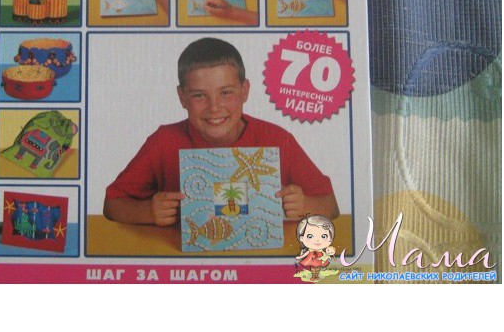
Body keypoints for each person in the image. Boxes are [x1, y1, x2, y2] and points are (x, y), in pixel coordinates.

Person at [103, 37, 340, 226]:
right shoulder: (163, 142)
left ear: (244, 91)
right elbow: (111, 204)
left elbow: (331, 205)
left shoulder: (278, 140)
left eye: (226, 93)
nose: (214, 107)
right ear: (182, 97)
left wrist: (305, 205)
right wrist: (146, 211)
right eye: (199, 95)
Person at [295, 214, 336, 281]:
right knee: (313, 268)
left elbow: (327, 254)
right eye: (310, 236)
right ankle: (313, 276)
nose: (317, 240)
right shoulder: (310, 250)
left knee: (317, 268)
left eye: (324, 236)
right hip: (312, 260)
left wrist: (330, 253)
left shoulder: (322, 251)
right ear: (302, 238)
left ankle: (316, 276)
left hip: (319, 260)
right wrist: (300, 257)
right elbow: (305, 254)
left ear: (331, 238)